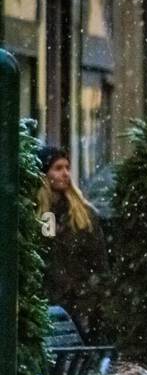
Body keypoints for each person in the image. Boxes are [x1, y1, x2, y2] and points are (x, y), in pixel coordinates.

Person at [36, 145, 110, 342]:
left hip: (81, 305)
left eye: (67, 167)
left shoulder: (83, 215)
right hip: (50, 306)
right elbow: (46, 256)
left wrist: (91, 296)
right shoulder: (40, 213)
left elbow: (99, 262)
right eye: (58, 168)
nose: (65, 174)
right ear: (45, 174)